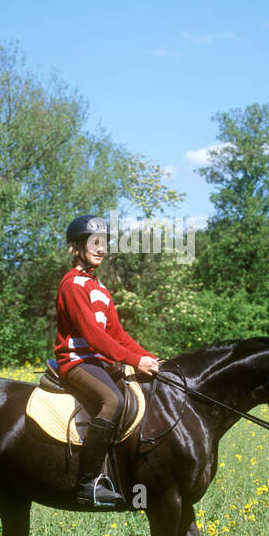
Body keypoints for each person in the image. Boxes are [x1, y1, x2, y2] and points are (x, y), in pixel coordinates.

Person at [54, 215, 160, 508]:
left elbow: (117, 334)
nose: (101, 249)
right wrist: (134, 360)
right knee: (111, 401)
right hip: (76, 361)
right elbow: (93, 337)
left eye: (104, 244)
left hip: (97, 363)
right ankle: (87, 484)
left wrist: (148, 358)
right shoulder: (73, 284)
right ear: (76, 247)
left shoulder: (99, 288)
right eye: (93, 243)